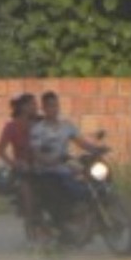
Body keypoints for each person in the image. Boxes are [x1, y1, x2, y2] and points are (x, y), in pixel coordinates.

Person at [29, 91, 102, 220]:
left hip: (65, 167)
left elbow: (82, 142)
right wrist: (49, 161)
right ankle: (64, 220)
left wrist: (96, 149)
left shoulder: (66, 126)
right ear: (44, 108)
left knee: (91, 180)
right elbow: (36, 153)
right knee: (68, 188)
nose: (54, 109)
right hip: (47, 171)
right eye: (50, 106)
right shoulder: (38, 130)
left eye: (56, 105)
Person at [0, 93, 40, 227]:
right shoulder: (11, 127)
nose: (36, 107)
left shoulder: (40, 122)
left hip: (43, 164)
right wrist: (14, 163)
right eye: (33, 104)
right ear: (24, 107)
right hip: (23, 168)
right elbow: (0, 150)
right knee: (27, 191)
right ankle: (31, 223)